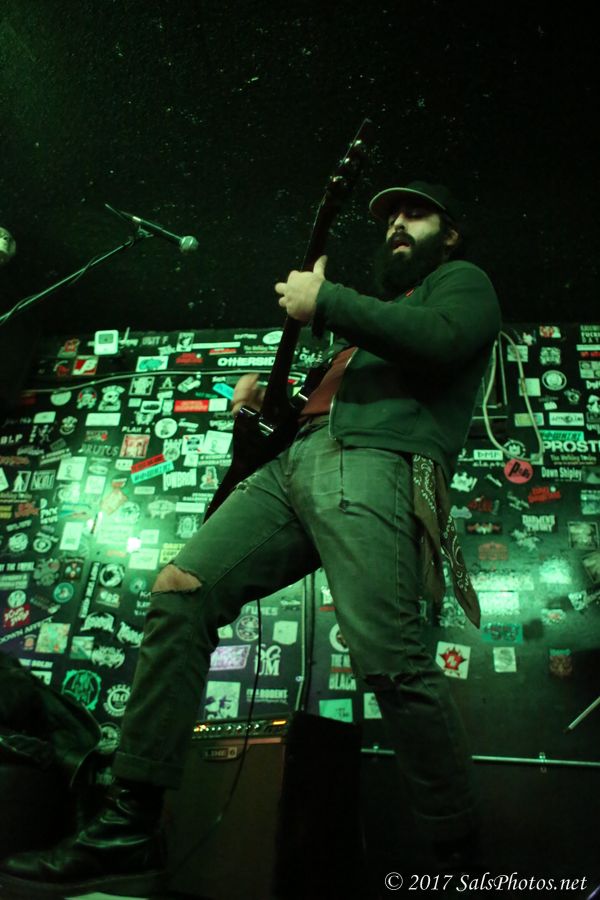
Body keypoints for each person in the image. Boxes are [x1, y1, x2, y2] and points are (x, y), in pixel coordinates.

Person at [0, 181, 502, 897]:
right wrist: (273, 405)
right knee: (181, 589)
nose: (397, 222)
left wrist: (325, 300)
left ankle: (461, 865)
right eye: (390, 215)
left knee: (390, 654)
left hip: (372, 460)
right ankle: (128, 827)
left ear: (449, 233)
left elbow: (444, 342)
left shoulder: (462, 282)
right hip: (295, 460)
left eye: (414, 213)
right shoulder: (374, 326)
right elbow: (334, 397)